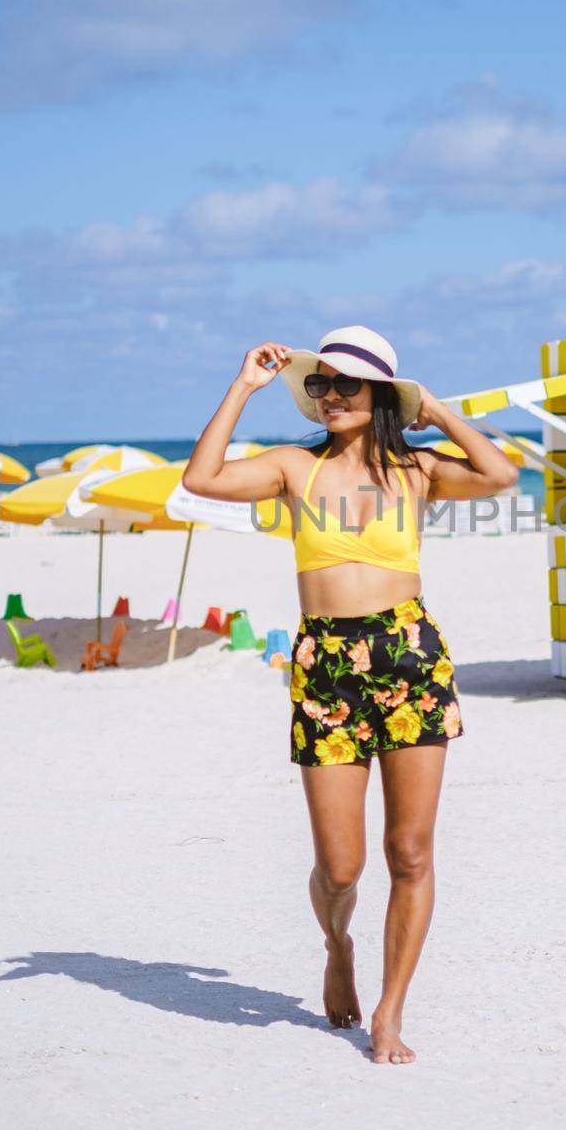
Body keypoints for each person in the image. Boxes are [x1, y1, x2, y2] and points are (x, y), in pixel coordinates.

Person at [182, 326, 518, 1065]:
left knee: (410, 851)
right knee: (340, 868)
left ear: (382, 397)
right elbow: (200, 480)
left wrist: (437, 408)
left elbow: (500, 476)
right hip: (326, 662)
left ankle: (390, 1013)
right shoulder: (293, 469)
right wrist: (244, 386)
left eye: (348, 385)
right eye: (321, 384)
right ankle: (338, 945)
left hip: (408, 656)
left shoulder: (420, 469)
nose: (330, 395)